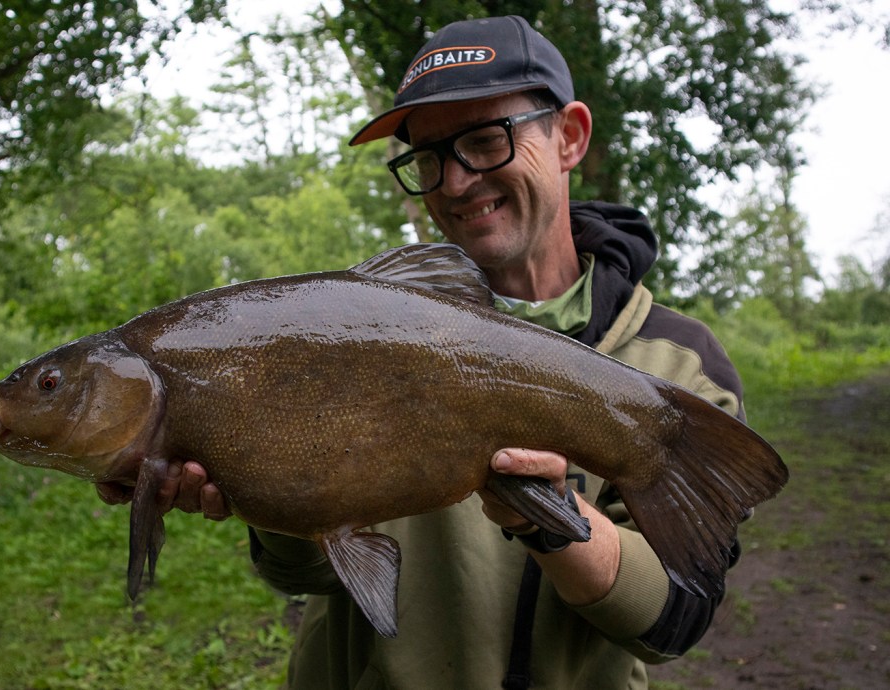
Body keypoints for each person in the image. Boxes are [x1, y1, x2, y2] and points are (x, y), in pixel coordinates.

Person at [98, 15, 748, 689]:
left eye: (486, 141)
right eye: (429, 158)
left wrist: (553, 520)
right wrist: (269, 483)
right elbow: (304, 574)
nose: (456, 182)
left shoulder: (678, 365)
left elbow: (675, 619)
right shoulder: (334, 336)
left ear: (570, 137)